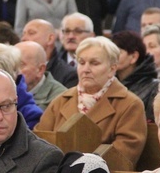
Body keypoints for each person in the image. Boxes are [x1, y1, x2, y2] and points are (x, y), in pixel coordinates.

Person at [36, 37, 147, 166]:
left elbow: (123, 156)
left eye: (94, 63)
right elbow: (41, 143)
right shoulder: (61, 100)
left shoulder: (130, 104)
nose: (86, 69)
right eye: (82, 63)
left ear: (112, 69)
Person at [112, 31, 160, 121]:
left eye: (118, 53)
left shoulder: (154, 87)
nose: (111, 57)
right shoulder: (108, 83)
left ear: (134, 57)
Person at [22, 19, 77, 88]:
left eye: (31, 33)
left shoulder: (69, 75)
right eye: (23, 34)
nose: (24, 38)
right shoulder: (16, 68)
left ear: (50, 39)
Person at [16, 41, 67, 110]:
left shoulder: (61, 98)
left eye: (20, 65)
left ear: (40, 70)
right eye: (11, 64)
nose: (13, 70)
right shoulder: (6, 90)